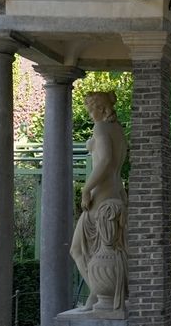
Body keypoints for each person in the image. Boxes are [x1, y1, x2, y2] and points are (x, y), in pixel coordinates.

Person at [69, 91, 129, 311]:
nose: (88, 112)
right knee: (99, 250)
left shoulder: (101, 128)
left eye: (90, 107)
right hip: (116, 191)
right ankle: (98, 295)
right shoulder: (118, 130)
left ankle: (98, 295)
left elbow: (104, 161)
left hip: (102, 195)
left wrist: (86, 189)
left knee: (78, 249)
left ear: (101, 108)